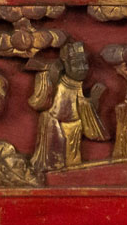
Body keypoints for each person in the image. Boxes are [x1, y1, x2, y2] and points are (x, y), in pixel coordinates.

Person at [28, 41, 108, 174]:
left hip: (74, 127)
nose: (82, 68)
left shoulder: (77, 85)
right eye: (76, 64)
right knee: (56, 163)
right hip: (56, 125)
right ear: (65, 65)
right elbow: (44, 104)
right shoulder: (59, 83)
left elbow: (84, 109)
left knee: (72, 164)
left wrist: (94, 99)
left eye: (85, 64)